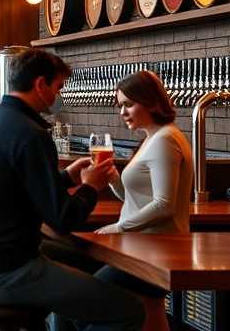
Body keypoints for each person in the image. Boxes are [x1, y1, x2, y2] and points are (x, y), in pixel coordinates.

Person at [0, 49, 144, 330]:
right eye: (58, 87)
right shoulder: (31, 134)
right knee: (129, 310)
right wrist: (91, 187)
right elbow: (63, 220)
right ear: (40, 85)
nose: (58, 96)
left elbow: (11, 189)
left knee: (75, 265)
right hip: (0, 273)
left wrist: (65, 178)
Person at [95, 70, 192, 331]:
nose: (122, 112)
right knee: (151, 314)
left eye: (128, 104)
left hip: (154, 249)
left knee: (90, 297)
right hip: (145, 245)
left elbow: (164, 205)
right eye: (120, 106)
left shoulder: (165, 140)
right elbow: (134, 199)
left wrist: (119, 228)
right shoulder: (153, 138)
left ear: (151, 102)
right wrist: (114, 176)